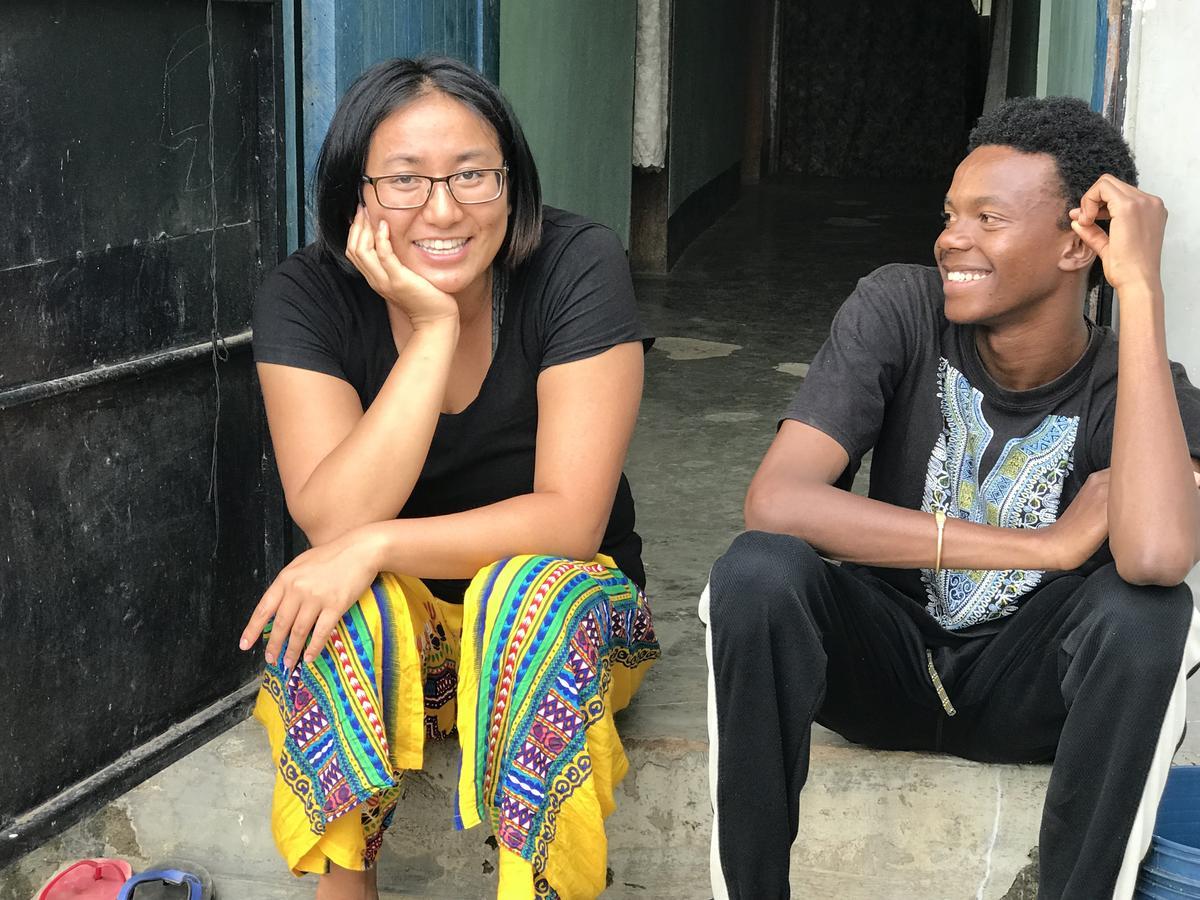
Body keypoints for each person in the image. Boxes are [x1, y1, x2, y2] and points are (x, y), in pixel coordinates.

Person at [702, 95, 1200, 899]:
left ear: (1079, 243)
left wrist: (1138, 290)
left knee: (1151, 615)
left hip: (1026, 690)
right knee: (758, 571)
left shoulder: (1143, 387)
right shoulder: (899, 308)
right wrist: (1041, 547)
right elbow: (779, 501)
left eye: (988, 219)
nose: (950, 239)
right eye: (949, 214)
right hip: (883, 663)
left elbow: (1155, 557)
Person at [239, 56, 659, 900]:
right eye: (404, 181)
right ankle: (345, 888)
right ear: (355, 193)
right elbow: (334, 520)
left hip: (570, 635)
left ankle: (533, 888)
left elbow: (572, 520)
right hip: (408, 649)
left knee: (530, 592)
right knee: (341, 592)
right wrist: (431, 334)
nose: (442, 208)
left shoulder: (576, 265)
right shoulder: (306, 295)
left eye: (473, 175)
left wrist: (381, 542)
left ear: (513, 181)